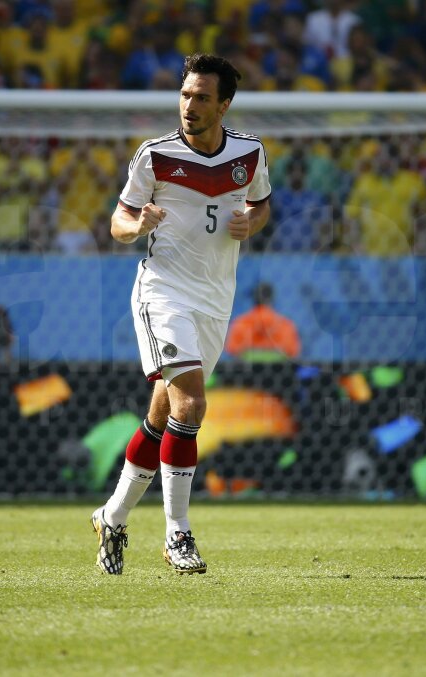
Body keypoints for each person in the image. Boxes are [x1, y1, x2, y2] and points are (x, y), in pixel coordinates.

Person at [92, 54, 271, 575]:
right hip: (164, 291)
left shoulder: (251, 154)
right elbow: (118, 224)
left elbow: (261, 205)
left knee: (161, 417)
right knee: (190, 405)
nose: (189, 106)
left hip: (217, 298)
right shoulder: (155, 156)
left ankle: (113, 516)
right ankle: (178, 535)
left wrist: (252, 224)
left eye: (201, 98)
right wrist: (137, 224)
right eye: (185, 94)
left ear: (224, 105)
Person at [226, 283, 301, 361]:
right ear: (272, 299)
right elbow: (293, 351)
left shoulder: (240, 323)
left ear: (254, 299)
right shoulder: (286, 325)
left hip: (248, 370)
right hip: (278, 370)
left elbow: (233, 350)